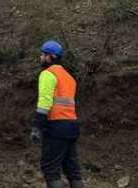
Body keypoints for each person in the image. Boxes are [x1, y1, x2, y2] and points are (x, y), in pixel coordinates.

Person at [30, 40, 83, 188]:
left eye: (43, 54)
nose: (40, 57)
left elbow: (44, 103)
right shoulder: (69, 77)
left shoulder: (47, 74)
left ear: (50, 57)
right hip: (72, 126)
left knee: (50, 169)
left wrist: (36, 126)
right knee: (73, 171)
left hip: (56, 127)